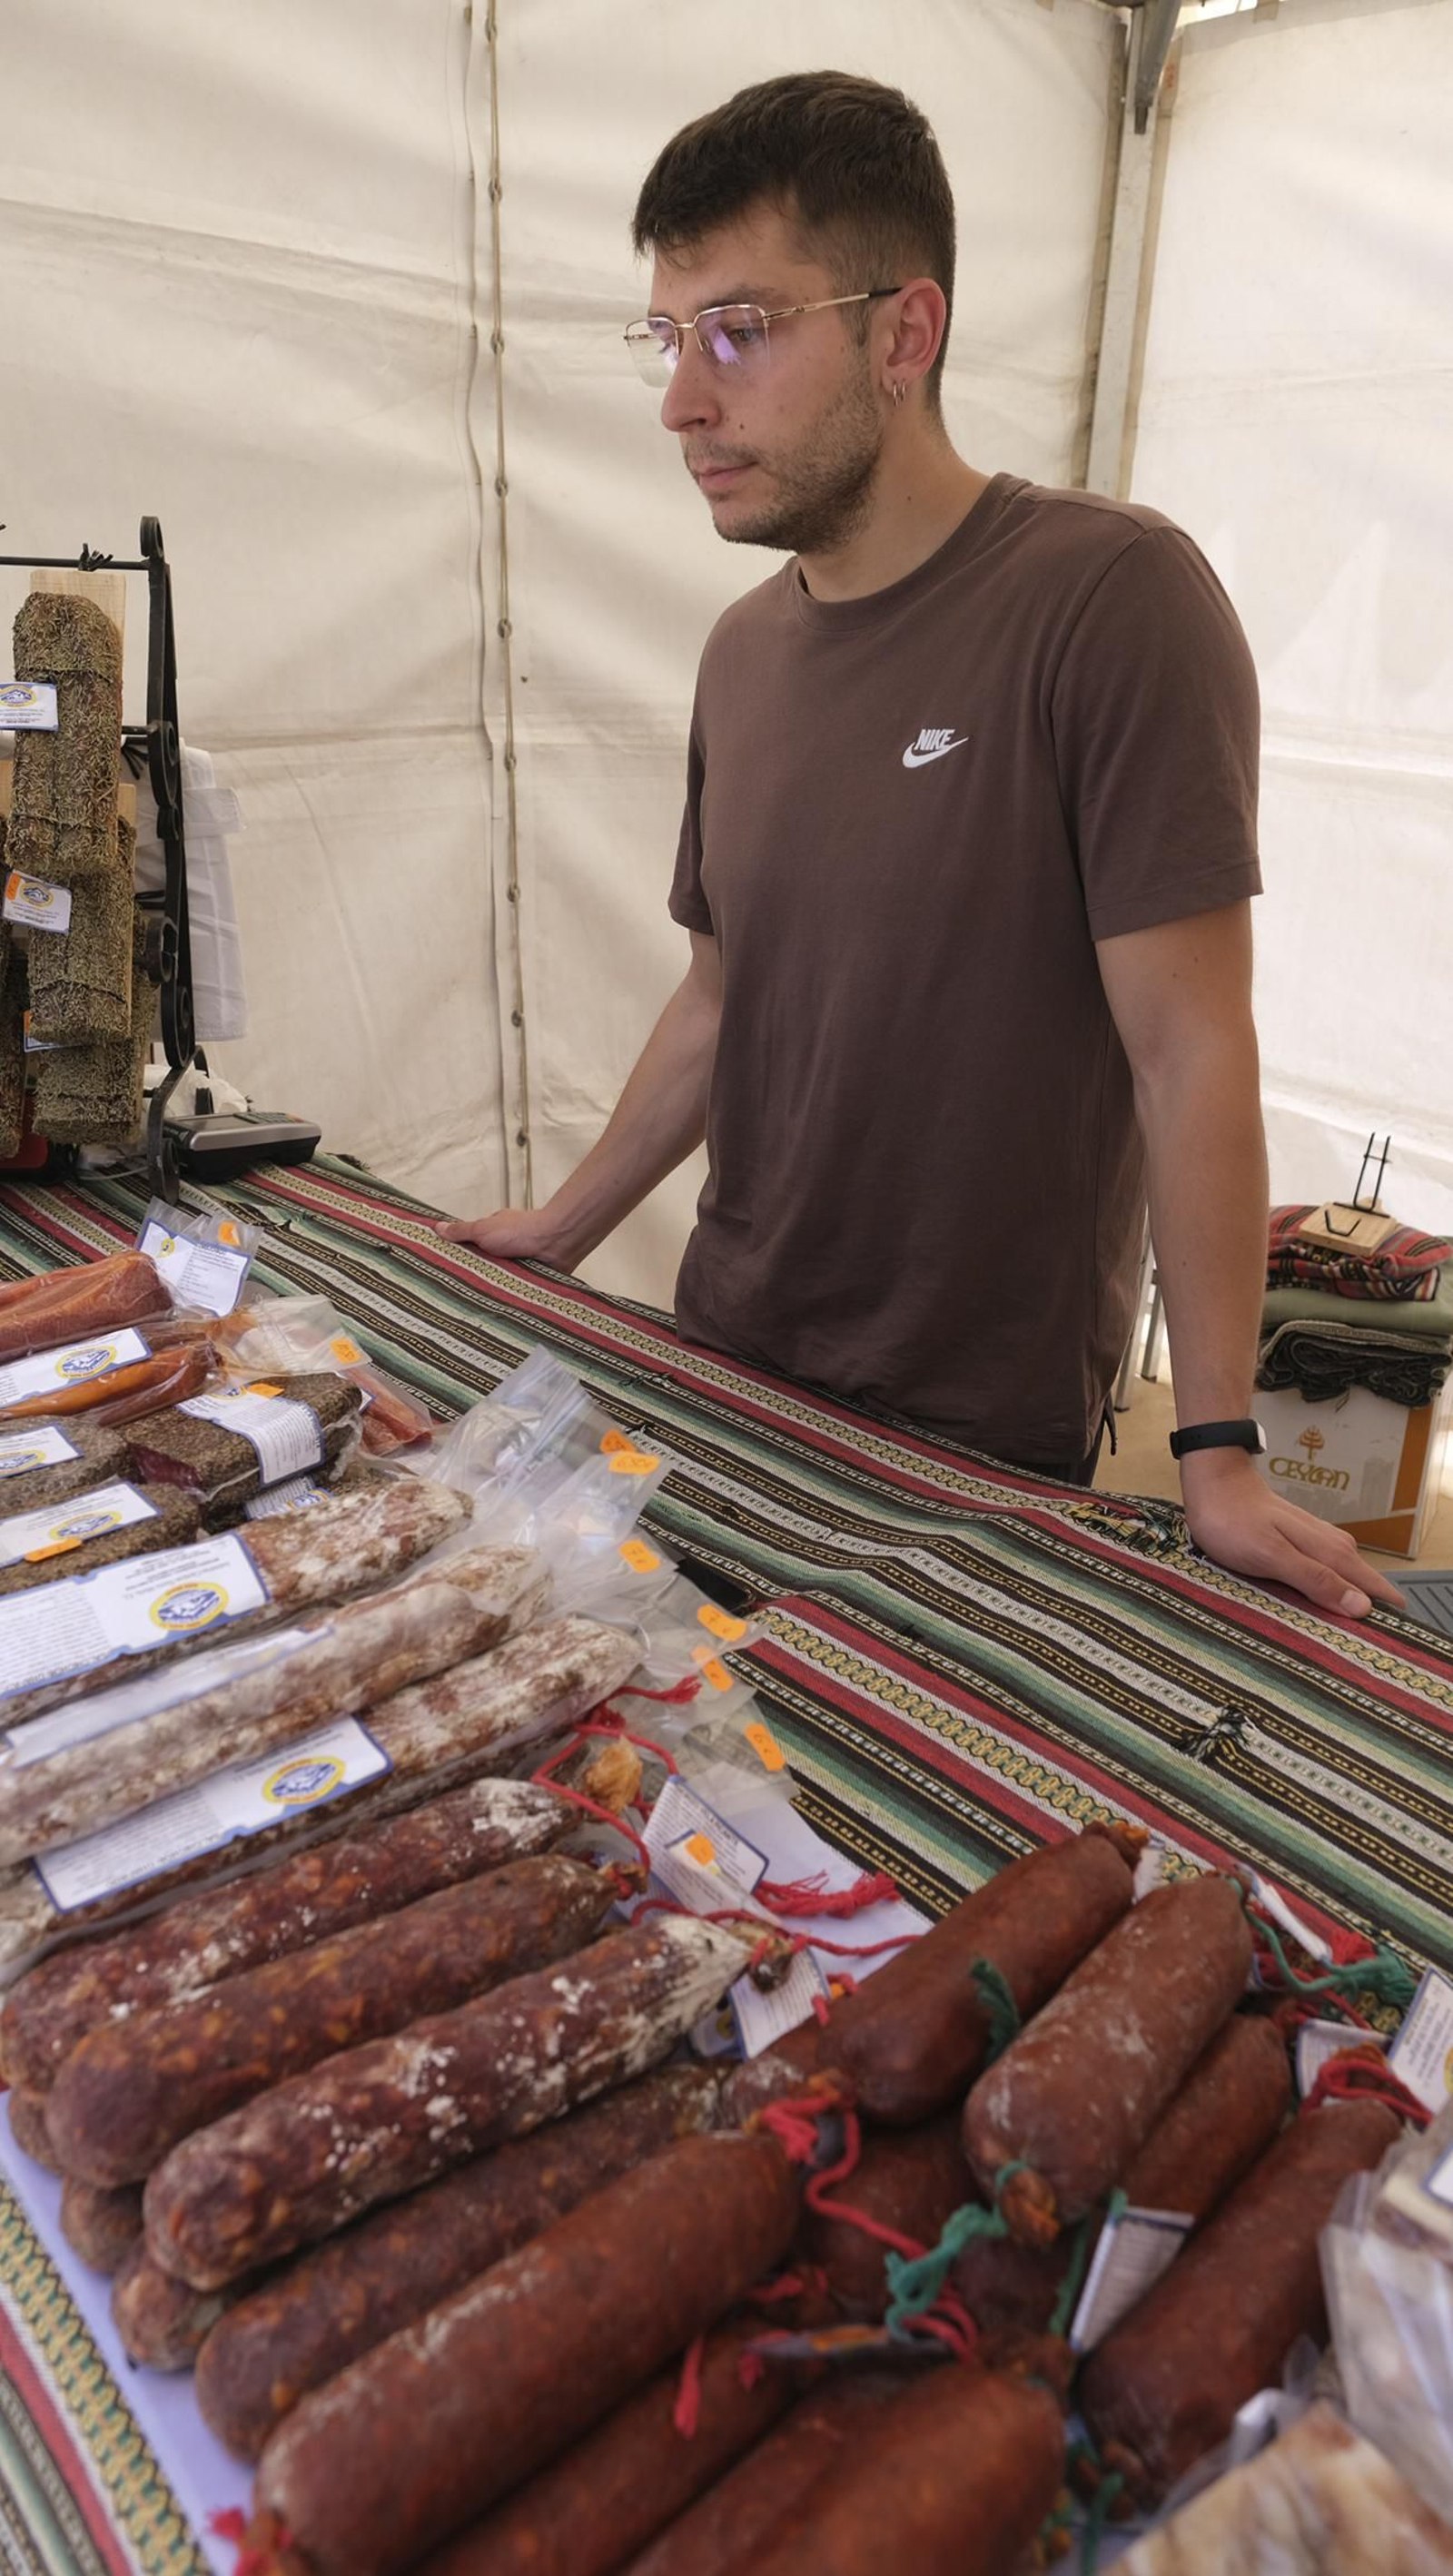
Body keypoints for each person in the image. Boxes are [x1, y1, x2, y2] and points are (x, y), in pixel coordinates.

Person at [444, 70, 1399, 1624]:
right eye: (668, 338)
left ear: (905, 333)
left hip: (975, 1445)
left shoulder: (1111, 601)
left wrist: (1218, 1451)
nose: (686, 399)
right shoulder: (743, 656)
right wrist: (563, 1225)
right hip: (727, 1366)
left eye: (741, 329)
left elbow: (1190, 1048)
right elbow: (719, 992)